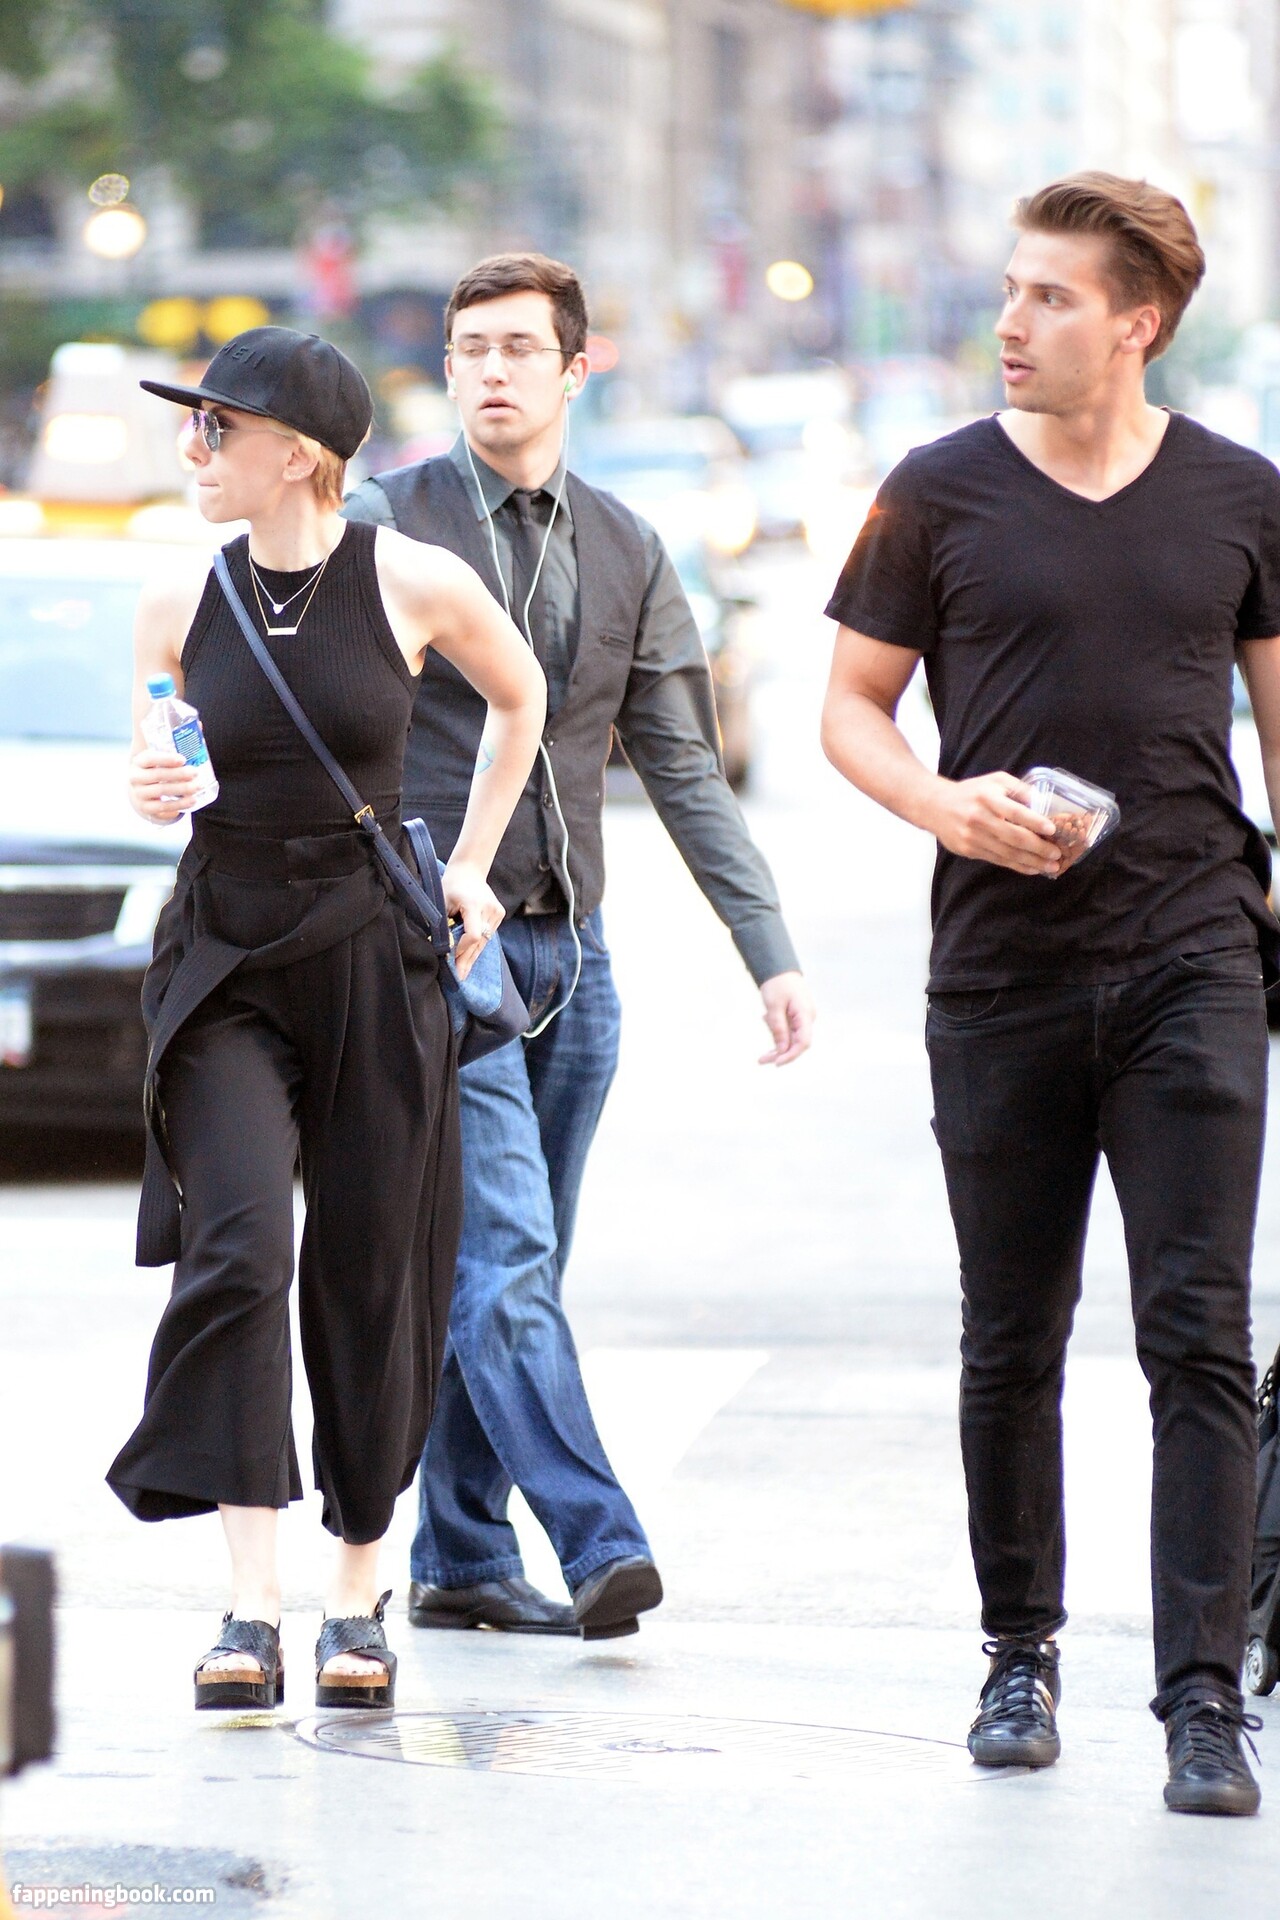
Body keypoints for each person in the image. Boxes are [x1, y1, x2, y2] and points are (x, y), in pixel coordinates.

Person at [820, 174, 1280, 1816]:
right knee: (1009, 1335)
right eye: (1010, 290)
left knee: (1198, 1337)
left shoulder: (1242, 496)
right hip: (1000, 975)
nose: (1010, 321)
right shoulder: (933, 492)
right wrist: (948, 807)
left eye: (1050, 297)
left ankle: (1203, 1698)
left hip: (1195, 961)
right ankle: (1019, 1652)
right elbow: (852, 709)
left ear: (1136, 323)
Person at [344, 253, 815, 1640]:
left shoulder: (628, 544)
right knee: (501, 1257)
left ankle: (460, 1557)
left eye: (517, 348)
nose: (491, 370)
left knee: (511, 1272)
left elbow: (683, 766)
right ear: (447, 369)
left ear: (575, 370)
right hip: (436, 944)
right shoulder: (388, 524)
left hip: (574, 956)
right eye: (469, 348)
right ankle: (600, 1538)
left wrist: (768, 948)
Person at [107, 326, 546, 1710]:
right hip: (224, 953)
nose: (194, 449)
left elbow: (521, 698)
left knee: (371, 1273)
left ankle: (357, 1597)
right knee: (237, 1253)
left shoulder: (412, 580)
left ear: (297, 454)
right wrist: (154, 783)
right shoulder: (178, 595)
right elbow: (163, 754)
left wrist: (471, 865)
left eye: (215, 427)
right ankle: (252, 1606)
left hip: (370, 955)